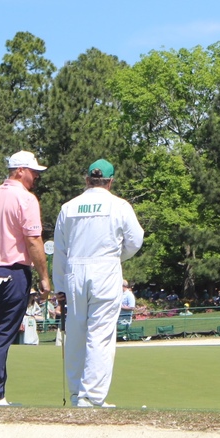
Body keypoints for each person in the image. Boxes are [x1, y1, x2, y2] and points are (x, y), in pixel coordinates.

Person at [54, 158, 143, 409]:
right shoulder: (120, 205)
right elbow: (135, 241)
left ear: (87, 180)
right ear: (111, 182)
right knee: (100, 335)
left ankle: (75, 394)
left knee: (76, 333)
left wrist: (59, 287)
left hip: (74, 270)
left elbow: (60, 250)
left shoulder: (69, 206)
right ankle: (91, 396)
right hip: (105, 269)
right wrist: (116, 256)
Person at [0, 150, 51, 407]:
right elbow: (33, 240)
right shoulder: (26, 199)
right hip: (12, 273)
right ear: (19, 170)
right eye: (32, 171)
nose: (35, 176)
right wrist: (44, 277)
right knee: (2, 335)